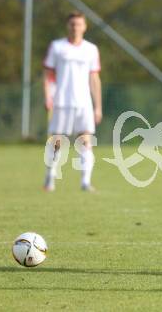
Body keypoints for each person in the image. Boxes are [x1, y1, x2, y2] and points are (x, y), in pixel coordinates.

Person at [43, 11, 102, 192]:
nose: (75, 27)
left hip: (83, 102)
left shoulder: (91, 49)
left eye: (78, 24)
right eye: (72, 24)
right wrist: (48, 96)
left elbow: (94, 78)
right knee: (57, 141)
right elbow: (48, 75)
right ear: (67, 26)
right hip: (62, 101)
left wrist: (98, 106)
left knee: (85, 140)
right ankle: (50, 177)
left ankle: (85, 182)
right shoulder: (57, 47)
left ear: (84, 27)